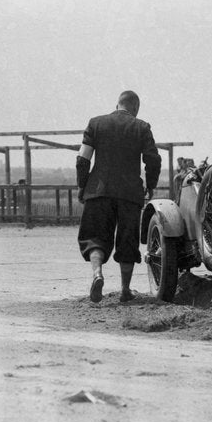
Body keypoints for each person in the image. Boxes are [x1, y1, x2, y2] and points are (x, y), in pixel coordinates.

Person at [76, 90, 161, 303]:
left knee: (95, 238)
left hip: (98, 191)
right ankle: (125, 289)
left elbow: (82, 159)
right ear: (135, 108)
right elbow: (153, 160)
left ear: (117, 105)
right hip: (129, 194)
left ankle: (97, 274)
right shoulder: (141, 127)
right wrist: (151, 185)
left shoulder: (95, 124)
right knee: (127, 241)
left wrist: (82, 186)